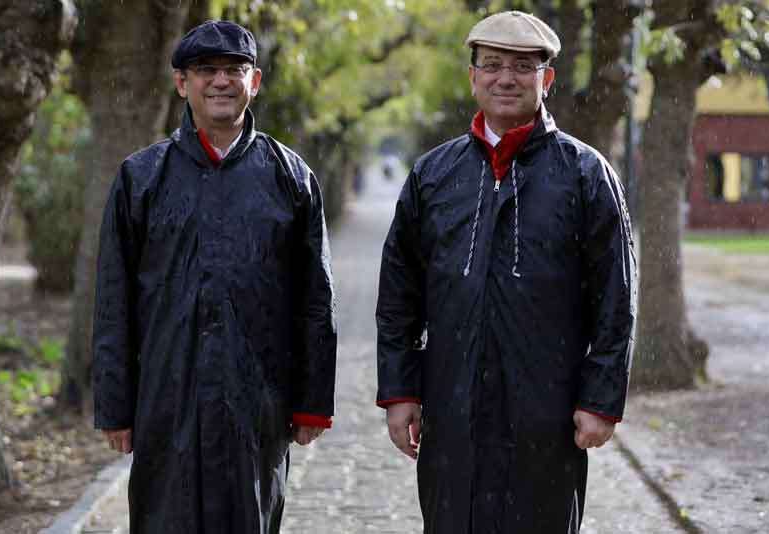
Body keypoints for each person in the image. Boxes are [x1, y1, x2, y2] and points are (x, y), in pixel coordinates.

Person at [376, 10, 636, 534]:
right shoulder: (434, 175)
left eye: (522, 66)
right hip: (452, 406)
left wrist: (600, 399)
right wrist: (400, 392)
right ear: (473, 76)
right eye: (492, 65)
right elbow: (399, 292)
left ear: (548, 78)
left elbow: (616, 295)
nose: (506, 78)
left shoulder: (585, 175)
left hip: (546, 410)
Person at [92, 20, 337, 534]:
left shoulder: (290, 177)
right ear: (182, 83)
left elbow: (315, 297)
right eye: (206, 70)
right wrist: (115, 405)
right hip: (166, 397)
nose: (221, 81)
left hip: (258, 400)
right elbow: (114, 299)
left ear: (255, 81)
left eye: (234, 69)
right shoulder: (142, 178)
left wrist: (312, 402)